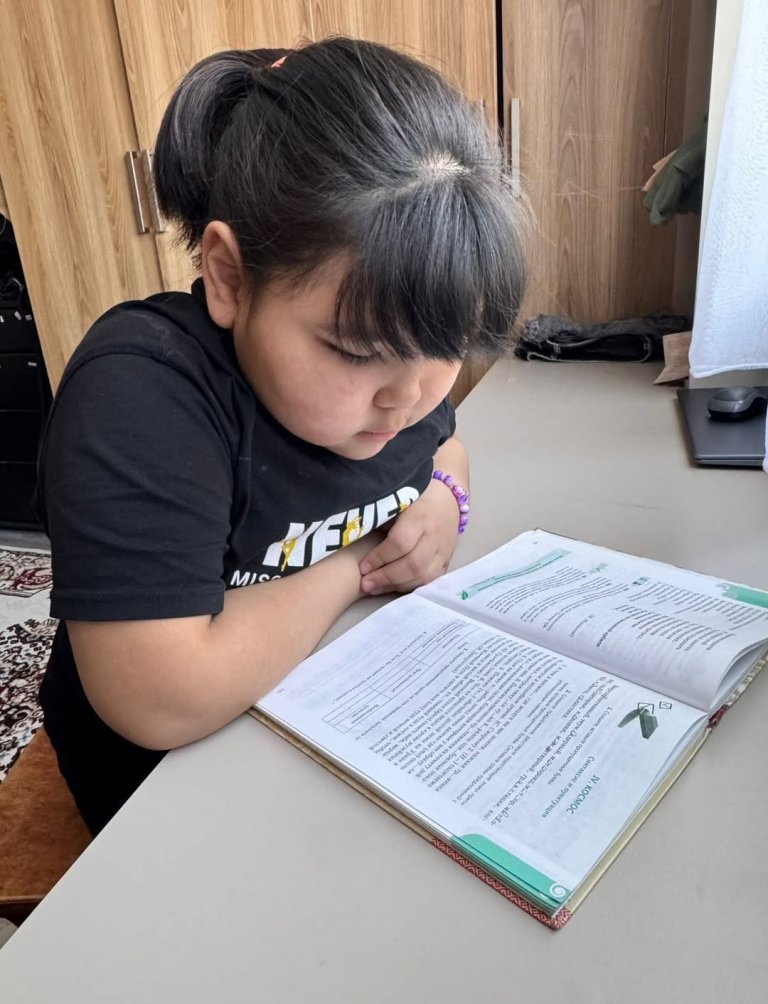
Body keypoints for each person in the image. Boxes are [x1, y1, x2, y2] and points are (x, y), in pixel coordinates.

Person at [37, 37, 526, 835]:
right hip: (161, 792)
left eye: (447, 345)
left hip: (325, 714)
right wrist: (357, 566)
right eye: (356, 351)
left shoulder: (391, 399)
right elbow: (160, 697)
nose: (408, 396)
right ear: (229, 278)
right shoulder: (144, 396)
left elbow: (439, 444)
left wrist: (448, 495)